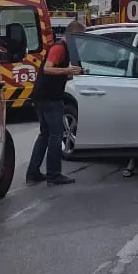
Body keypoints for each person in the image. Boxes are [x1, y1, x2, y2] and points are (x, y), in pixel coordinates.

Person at [26, 19, 85, 186]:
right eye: (80, 37)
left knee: (45, 135)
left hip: (44, 96)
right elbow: (48, 68)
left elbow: (55, 71)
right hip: (50, 98)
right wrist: (67, 70)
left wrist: (70, 73)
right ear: (73, 35)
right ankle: (53, 175)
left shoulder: (66, 49)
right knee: (55, 135)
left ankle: (33, 173)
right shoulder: (59, 48)